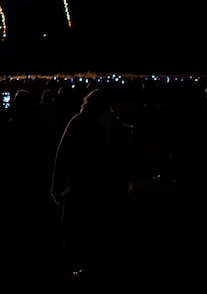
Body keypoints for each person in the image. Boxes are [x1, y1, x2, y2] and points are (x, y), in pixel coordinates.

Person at [51, 88, 136, 281]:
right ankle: (99, 268)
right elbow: (130, 154)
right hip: (106, 186)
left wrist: (56, 183)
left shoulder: (79, 122)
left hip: (82, 185)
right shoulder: (112, 123)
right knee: (100, 230)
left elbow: (62, 154)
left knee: (79, 230)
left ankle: (87, 268)